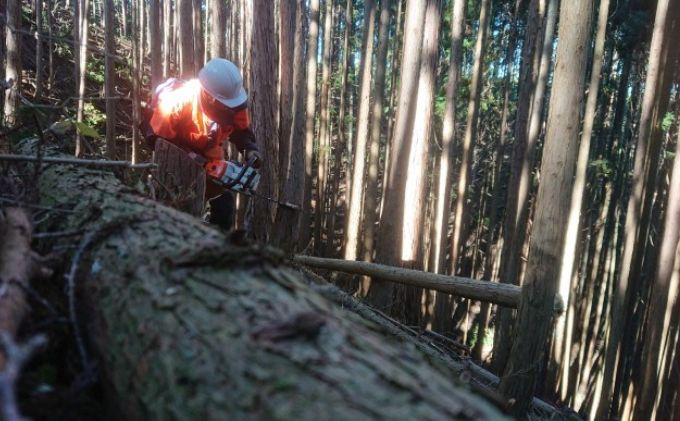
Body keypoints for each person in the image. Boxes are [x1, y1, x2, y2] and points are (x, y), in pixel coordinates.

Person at [144, 58, 261, 230]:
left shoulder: (234, 102)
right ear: (209, 96)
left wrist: (250, 148)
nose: (229, 109)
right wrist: (188, 156)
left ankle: (216, 246)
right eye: (224, 105)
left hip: (210, 157)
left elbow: (241, 130)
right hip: (177, 158)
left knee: (224, 205)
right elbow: (155, 137)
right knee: (181, 206)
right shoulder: (177, 102)